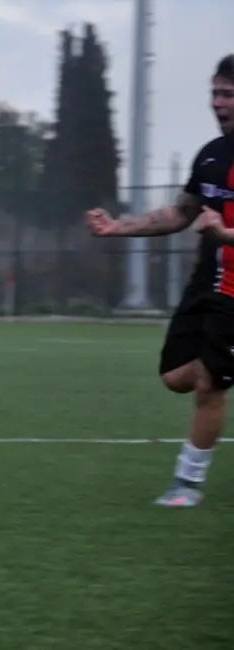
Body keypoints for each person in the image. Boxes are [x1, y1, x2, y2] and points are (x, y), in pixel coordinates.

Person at [86, 54, 234, 508]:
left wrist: (226, 234)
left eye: (228, 94)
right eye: (214, 93)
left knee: (209, 382)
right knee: (175, 375)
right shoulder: (212, 155)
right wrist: (118, 227)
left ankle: (187, 483)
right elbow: (181, 213)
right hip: (206, 281)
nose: (218, 103)